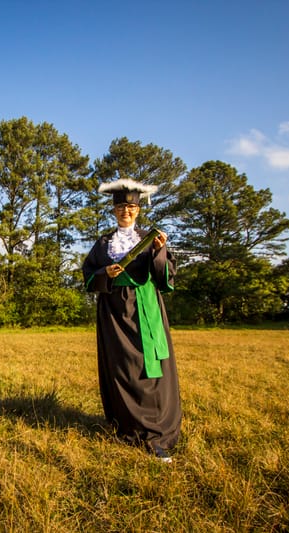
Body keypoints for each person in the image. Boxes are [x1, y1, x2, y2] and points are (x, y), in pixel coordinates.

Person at [81, 178, 181, 463]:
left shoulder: (149, 239)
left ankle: (155, 435)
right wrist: (106, 274)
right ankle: (125, 425)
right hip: (113, 313)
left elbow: (165, 277)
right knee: (122, 368)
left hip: (144, 309)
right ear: (113, 210)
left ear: (139, 210)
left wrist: (159, 251)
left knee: (148, 369)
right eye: (121, 207)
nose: (126, 211)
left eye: (132, 207)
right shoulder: (103, 244)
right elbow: (88, 276)